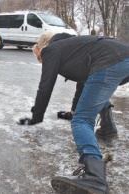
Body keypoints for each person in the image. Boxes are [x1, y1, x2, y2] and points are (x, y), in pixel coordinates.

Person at [18, 32, 129, 194]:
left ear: (42, 47)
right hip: (122, 59)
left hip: (109, 62)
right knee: (96, 92)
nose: (39, 59)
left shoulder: (52, 50)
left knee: (81, 121)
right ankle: (108, 128)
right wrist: (72, 109)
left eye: (37, 54)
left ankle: (95, 177)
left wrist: (36, 116)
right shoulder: (74, 46)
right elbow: (84, 83)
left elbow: (45, 87)